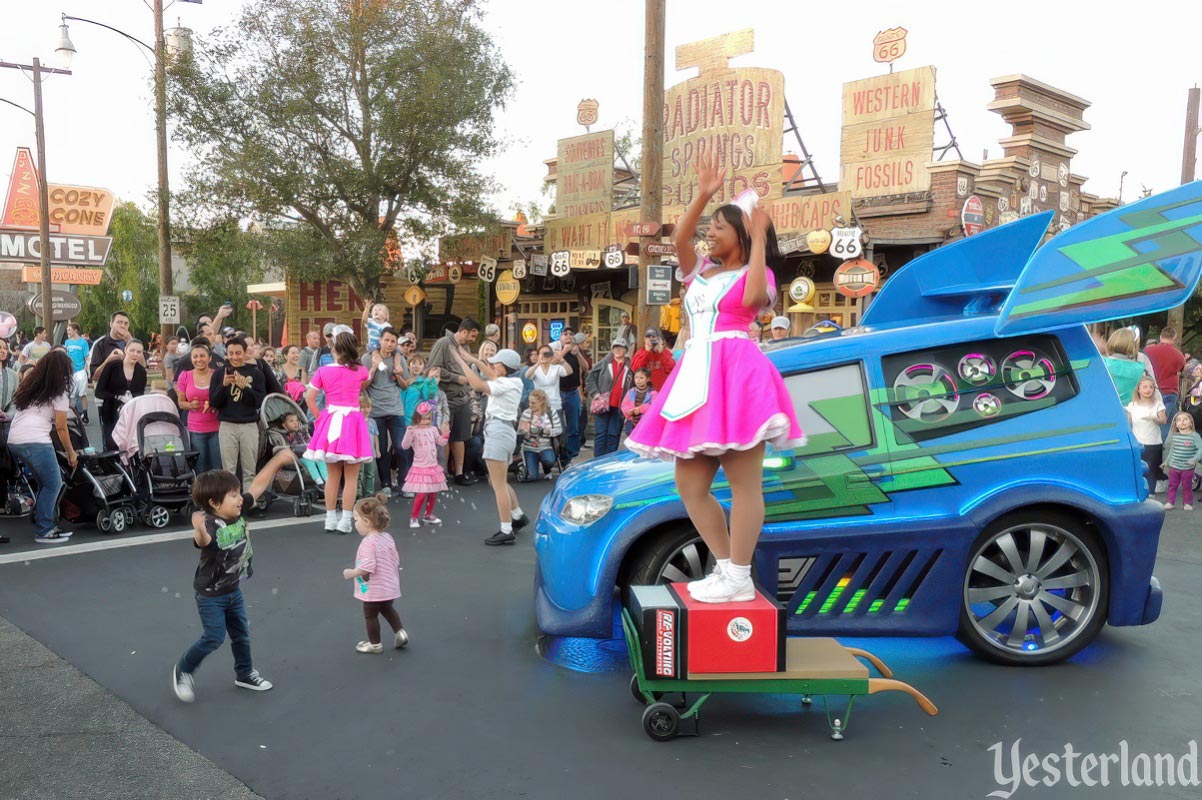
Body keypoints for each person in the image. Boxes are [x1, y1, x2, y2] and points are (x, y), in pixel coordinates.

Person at [625, 153, 805, 604]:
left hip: (737, 373)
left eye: (720, 227)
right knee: (690, 485)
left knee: (745, 484)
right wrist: (704, 194)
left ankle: (740, 574)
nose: (710, 233)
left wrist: (761, 237)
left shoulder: (756, 273)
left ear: (742, 235)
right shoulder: (701, 274)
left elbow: (754, 297)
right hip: (696, 377)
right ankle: (727, 569)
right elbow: (680, 237)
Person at [171, 448, 296, 703]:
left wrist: (278, 460)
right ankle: (183, 670)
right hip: (210, 595)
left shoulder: (238, 512)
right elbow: (202, 539)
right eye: (233, 495)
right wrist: (197, 526)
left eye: (239, 493)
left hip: (232, 590)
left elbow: (259, 485)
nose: (240, 499)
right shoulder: (209, 526)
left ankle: (245, 673)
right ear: (215, 504)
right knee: (214, 637)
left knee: (241, 633)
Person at [451, 347, 529, 546]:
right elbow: (491, 375)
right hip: (502, 431)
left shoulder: (506, 383)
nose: (493, 365)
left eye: (496, 363)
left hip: (498, 431)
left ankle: (506, 529)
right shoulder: (512, 381)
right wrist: (474, 360)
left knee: (499, 484)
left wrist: (463, 364)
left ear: (505, 367)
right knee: (496, 481)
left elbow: (478, 384)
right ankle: (517, 515)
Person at [304, 331, 373, 534]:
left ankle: (329, 518)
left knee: (333, 476)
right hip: (353, 421)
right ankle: (346, 520)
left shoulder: (323, 371)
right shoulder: (360, 370)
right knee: (352, 477)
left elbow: (310, 397)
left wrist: (319, 418)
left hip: (331, 418)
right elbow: (364, 383)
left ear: (335, 349)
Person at [7, 350, 77, 543]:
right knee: (53, 483)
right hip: (36, 440)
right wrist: (71, 453)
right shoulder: (59, 391)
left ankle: (46, 522)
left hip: (15, 439)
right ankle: (44, 530)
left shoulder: (32, 386)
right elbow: (62, 428)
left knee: (45, 483)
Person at [341, 494, 408, 653]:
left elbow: (367, 567)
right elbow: (396, 559)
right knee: (387, 608)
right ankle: (401, 632)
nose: (355, 524)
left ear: (367, 522)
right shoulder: (387, 537)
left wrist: (350, 573)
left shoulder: (368, 543)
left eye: (356, 520)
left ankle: (375, 644)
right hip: (388, 584)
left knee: (370, 615)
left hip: (374, 588)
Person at [427, 317, 481, 485]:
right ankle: (442, 472)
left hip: (462, 398)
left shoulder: (465, 347)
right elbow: (433, 369)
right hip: (446, 398)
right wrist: (456, 378)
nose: (474, 339)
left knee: (461, 437)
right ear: (464, 331)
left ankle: (459, 473)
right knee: (445, 437)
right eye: (472, 335)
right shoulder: (443, 344)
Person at [209, 337, 267, 490]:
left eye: (238, 353)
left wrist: (244, 388)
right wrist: (224, 385)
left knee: (249, 470)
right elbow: (214, 402)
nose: (235, 357)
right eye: (231, 353)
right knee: (228, 470)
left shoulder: (256, 373)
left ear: (245, 352)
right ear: (226, 354)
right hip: (227, 425)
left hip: (249, 425)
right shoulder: (219, 373)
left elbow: (259, 401)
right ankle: (230, 503)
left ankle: (248, 502)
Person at [362, 327, 409, 496]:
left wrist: (400, 375)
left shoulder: (399, 358)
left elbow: (405, 386)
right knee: (381, 449)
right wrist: (373, 368)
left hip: (396, 409)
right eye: (386, 340)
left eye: (393, 341)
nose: (389, 344)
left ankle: (404, 484)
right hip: (376, 411)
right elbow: (362, 386)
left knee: (401, 446)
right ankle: (386, 484)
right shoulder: (367, 358)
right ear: (380, 340)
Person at [401, 401, 449, 527]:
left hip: (432, 467)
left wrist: (445, 434)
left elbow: (441, 443)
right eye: (422, 419)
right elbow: (404, 446)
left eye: (428, 419)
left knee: (433, 493)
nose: (425, 421)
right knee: (421, 494)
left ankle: (428, 514)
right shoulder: (414, 431)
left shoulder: (433, 429)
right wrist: (408, 433)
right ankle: (414, 518)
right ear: (416, 419)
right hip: (420, 467)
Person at [176, 342, 222, 473]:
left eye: (202, 356)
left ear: (210, 358)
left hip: (217, 428)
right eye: (195, 356)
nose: (198, 359)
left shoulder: (217, 375)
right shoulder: (185, 376)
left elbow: (224, 398)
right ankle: (200, 493)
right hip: (196, 429)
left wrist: (214, 404)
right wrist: (190, 405)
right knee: (199, 467)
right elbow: (180, 402)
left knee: (217, 466)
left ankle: (218, 493)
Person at [94, 339, 148, 451]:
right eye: (132, 350)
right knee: (111, 444)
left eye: (139, 352)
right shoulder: (112, 366)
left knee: (130, 445)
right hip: (111, 412)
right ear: (125, 350)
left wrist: (132, 398)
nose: (135, 354)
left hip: (131, 414)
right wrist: (117, 396)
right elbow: (99, 392)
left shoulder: (141, 372)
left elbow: (140, 395)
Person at [585, 339, 633, 458]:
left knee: (614, 434)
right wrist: (595, 393)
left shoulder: (630, 366)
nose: (618, 350)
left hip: (619, 407)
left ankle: (610, 460)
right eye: (615, 347)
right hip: (603, 405)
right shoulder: (605, 362)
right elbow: (590, 378)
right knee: (600, 434)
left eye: (621, 348)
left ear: (626, 350)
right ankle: (598, 461)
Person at [1127, 375, 1167, 495]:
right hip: (1137, 442)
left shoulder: (1158, 404)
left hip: (1153, 443)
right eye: (1145, 387)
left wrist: (1154, 418)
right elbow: (1128, 423)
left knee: (1151, 470)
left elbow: (1163, 420)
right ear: (1138, 389)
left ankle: (1151, 494)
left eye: (1151, 387)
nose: (1148, 390)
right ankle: (1138, 493)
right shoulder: (1132, 405)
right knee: (1137, 469)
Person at [1145, 327, 1186, 439]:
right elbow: (1181, 368)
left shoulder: (1148, 351)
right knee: (1165, 422)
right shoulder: (1178, 355)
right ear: (1174, 339)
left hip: (1151, 389)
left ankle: (1181, 440)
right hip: (1169, 391)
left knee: (1174, 418)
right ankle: (1163, 446)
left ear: (1160, 337)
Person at [267, 411, 327, 487]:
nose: (295, 423)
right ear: (284, 425)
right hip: (296, 457)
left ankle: (327, 480)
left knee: (320, 459)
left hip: (307, 454)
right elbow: (285, 448)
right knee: (309, 461)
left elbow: (310, 442)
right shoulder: (285, 436)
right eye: (291, 421)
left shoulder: (301, 433)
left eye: (297, 420)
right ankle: (319, 482)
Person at [525, 345, 572, 433]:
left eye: (547, 354)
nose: (544, 356)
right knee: (541, 431)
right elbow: (527, 376)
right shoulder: (536, 369)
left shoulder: (556, 368)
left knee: (558, 431)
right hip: (540, 405)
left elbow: (569, 371)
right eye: (541, 353)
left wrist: (561, 360)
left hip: (555, 404)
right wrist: (538, 363)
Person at [1104, 328, 1158, 403]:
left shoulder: (1102, 363)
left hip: (1103, 408)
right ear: (1133, 346)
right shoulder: (1139, 368)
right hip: (1128, 411)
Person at [1161, 411, 1202, 511]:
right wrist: (1167, 462)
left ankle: (1188, 503)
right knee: (1172, 485)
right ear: (1175, 424)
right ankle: (1170, 502)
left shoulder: (1195, 436)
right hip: (1174, 466)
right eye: (1178, 420)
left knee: (1187, 486)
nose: (1182, 422)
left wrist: (1195, 459)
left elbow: (1200, 449)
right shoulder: (1176, 436)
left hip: (1187, 467)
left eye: (1185, 419)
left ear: (1191, 422)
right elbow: (1172, 450)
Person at [519, 390, 561, 481]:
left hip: (546, 446)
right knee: (533, 477)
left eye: (533, 403)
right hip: (529, 447)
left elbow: (559, 430)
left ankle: (547, 469)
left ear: (541, 402)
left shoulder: (551, 413)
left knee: (548, 460)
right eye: (529, 402)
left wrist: (548, 431)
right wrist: (525, 431)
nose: (531, 405)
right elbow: (520, 430)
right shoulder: (526, 413)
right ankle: (530, 465)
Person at [557, 327, 585, 463]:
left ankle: (572, 455)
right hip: (558, 392)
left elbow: (586, 368)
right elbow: (552, 363)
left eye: (570, 334)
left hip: (573, 391)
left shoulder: (577, 351)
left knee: (573, 426)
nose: (568, 336)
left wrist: (578, 354)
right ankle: (561, 454)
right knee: (559, 427)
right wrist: (564, 351)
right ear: (560, 337)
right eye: (565, 334)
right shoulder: (556, 350)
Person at [357, 395, 380, 497]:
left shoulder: (372, 422)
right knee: (359, 473)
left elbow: (375, 436)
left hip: (371, 452)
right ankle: (358, 493)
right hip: (360, 453)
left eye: (367, 407)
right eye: (362, 407)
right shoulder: (356, 421)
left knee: (370, 473)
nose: (365, 410)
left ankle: (369, 493)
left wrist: (377, 450)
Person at [621, 368, 657, 435]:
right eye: (636, 378)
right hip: (632, 422)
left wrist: (641, 409)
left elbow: (655, 407)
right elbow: (624, 405)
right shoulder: (631, 391)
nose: (638, 380)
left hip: (646, 422)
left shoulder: (653, 393)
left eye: (641, 378)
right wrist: (629, 411)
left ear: (648, 379)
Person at [0, 340, 18, 413]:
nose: (3, 351)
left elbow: (15, 400)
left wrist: (7, 415)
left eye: (5, 348)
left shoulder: (13, 375)